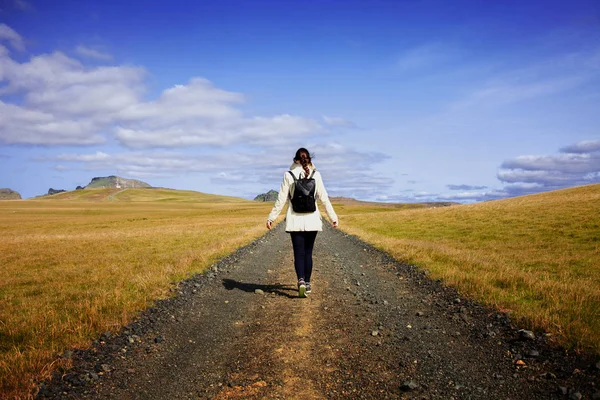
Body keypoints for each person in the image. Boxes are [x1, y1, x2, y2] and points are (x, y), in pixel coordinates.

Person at [266, 148, 339, 298]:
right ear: (309, 159)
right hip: (312, 220)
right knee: (308, 253)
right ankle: (307, 283)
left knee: (298, 252)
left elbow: (281, 199)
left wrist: (271, 218)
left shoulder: (288, 175)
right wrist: (333, 217)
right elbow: (324, 198)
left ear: (295, 160)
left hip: (295, 220)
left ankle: (300, 281)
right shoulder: (316, 175)